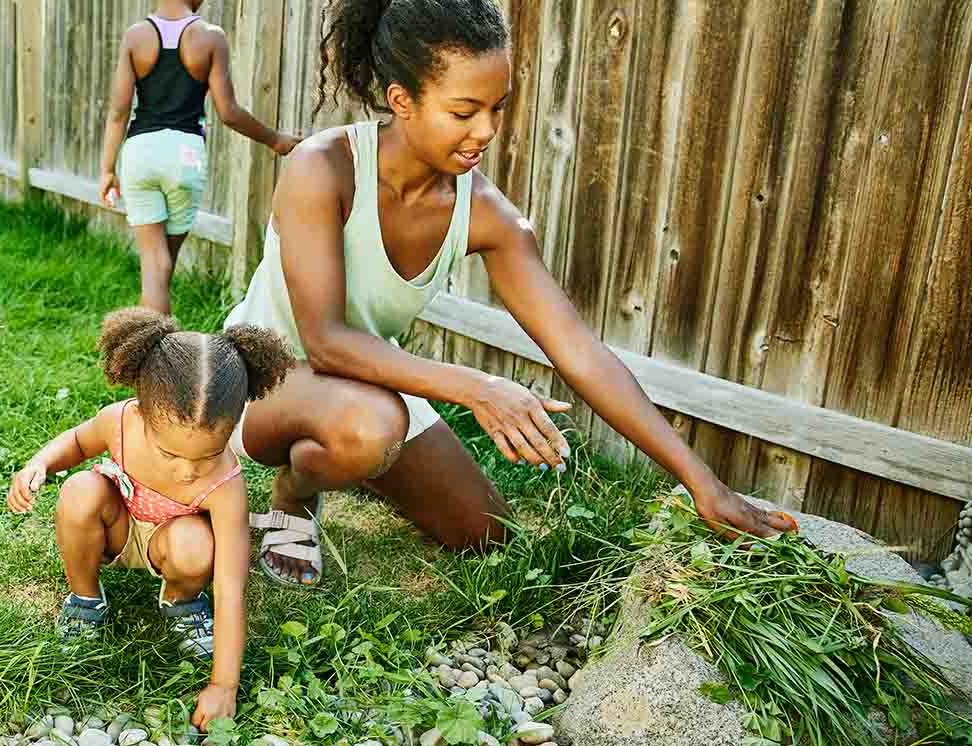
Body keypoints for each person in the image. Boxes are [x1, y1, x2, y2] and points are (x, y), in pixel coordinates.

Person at [224, 0, 799, 588]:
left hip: (369, 389)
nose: (487, 132)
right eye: (463, 111)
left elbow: (580, 351)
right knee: (370, 428)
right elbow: (325, 343)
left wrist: (699, 479)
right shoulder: (323, 168)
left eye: (497, 108)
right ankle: (296, 494)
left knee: (484, 532)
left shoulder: (487, 215)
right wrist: (479, 388)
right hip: (264, 376)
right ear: (402, 101)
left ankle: (349, 456)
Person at [6, 307, 294, 727]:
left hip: (174, 542)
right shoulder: (119, 422)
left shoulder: (226, 485)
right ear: (141, 413)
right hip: (119, 526)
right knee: (79, 490)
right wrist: (40, 464)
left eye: (207, 454)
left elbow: (231, 587)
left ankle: (182, 601)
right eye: (169, 452)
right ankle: (85, 599)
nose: (187, 469)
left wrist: (223, 687)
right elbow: (75, 441)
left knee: (196, 545)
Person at [98, 0, 303, 315]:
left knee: (154, 267)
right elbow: (229, 112)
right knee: (162, 266)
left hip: (140, 152)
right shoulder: (210, 37)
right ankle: (155, 355)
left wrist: (107, 169)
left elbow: (118, 111)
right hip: (184, 155)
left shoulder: (136, 36)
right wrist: (276, 140)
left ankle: (145, 350)